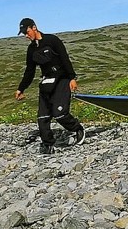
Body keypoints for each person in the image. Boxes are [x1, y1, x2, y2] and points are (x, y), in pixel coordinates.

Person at [15, 18, 85, 153]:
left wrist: (72, 78)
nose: (26, 35)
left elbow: (65, 58)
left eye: (27, 32)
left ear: (34, 27)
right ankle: (48, 145)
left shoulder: (52, 40)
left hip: (62, 80)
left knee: (59, 114)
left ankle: (78, 129)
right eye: (24, 33)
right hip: (46, 83)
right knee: (43, 117)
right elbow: (29, 71)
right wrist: (21, 88)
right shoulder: (31, 50)